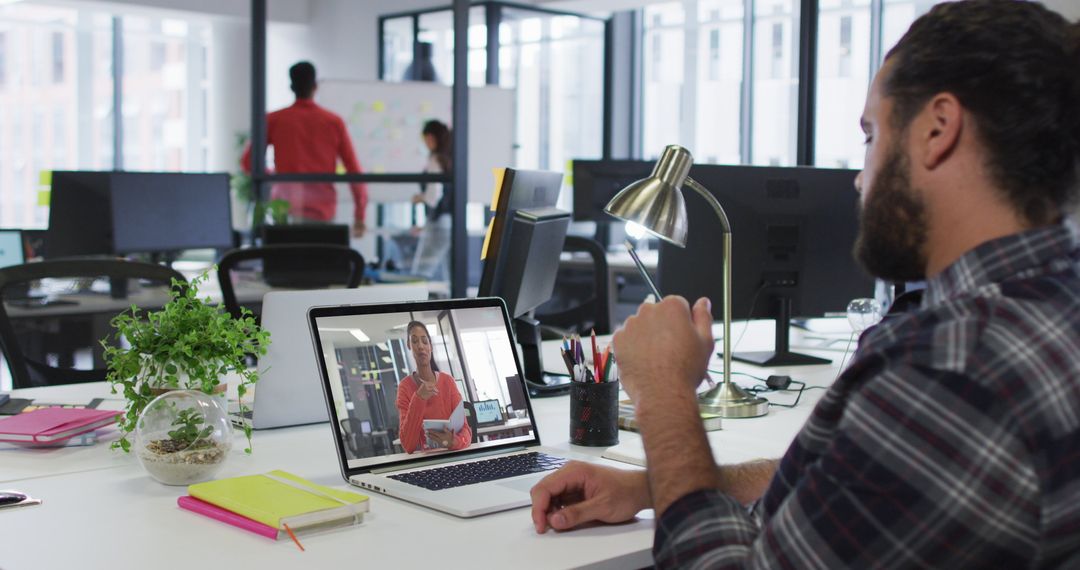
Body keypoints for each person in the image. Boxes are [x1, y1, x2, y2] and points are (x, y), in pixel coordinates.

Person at [530, 1, 1080, 567]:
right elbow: (853, 483)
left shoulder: (951, 366)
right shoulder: (1047, 307)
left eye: (872, 136)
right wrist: (655, 486)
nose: (862, 179)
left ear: (937, 129)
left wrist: (665, 397)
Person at [241, 61, 368, 237]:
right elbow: (354, 171)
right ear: (315, 86)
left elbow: (248, 163)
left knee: (284, 262)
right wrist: (360, 215)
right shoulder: (332, 122)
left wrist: (274, 177)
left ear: (291, 86)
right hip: (321, 211)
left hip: (284, 210)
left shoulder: (274, 120)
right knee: (318, 262)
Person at [395, 320, 472, 453]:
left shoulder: (448, 382)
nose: (420, 346)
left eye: (425, 341)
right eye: (414, 341)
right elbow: (408, 445)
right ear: (409, 345)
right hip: (424, 462)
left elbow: (466, 431)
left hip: (451, 455)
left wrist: (452, 442)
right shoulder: (405, 387)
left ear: (430, 345)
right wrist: (419, 398)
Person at [410, 120, 453, 279]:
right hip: (451, 224)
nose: (426, 143)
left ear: (432, 137)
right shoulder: (449, 159)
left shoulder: (436, 160)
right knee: (452, 275)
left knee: (420, 272)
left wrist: (421, 198)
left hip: (440, 223)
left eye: (426, 139)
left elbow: (433, 196)